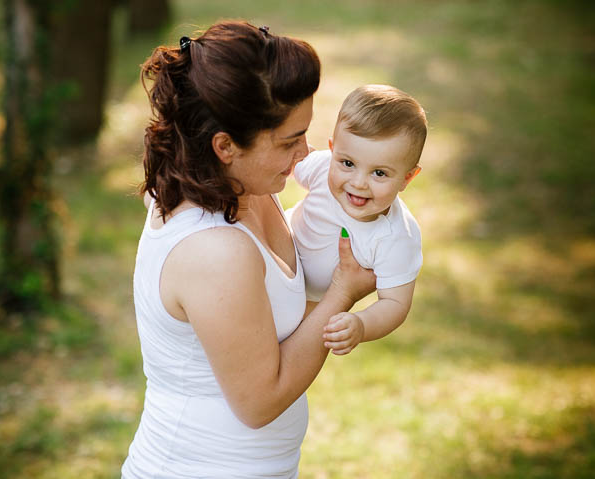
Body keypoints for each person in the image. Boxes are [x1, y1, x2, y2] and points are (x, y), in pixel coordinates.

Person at [121, 21, 375, 478]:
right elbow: (259, 402)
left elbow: (272, 309)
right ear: (225, 146)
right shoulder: (215, 249)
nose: (306, 152)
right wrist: (342, 294)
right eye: (288, 141)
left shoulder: (244, 186)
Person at [288, 84, 427, 356]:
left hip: (306, 307)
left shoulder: (396, 238)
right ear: (332, 150)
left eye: (379, 173)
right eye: (348, 164)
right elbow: (289, 166)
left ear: (407, 178)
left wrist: (361, 324)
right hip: (272, 260)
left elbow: (395, 304)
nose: (359, 183)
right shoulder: (322, 166)